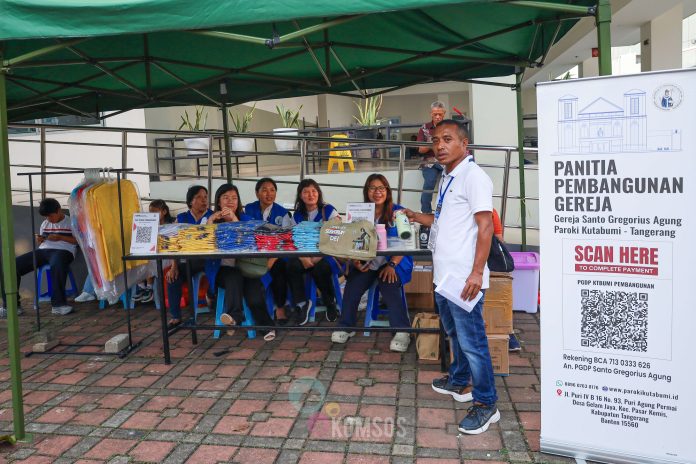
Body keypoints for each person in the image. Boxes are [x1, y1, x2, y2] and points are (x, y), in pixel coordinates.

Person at [403, 119, 499, 435]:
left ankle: (486, 403)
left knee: (473, 343)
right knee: (455, 334)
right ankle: (459, 380)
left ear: (464, 143)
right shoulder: (448, 176)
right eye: (435, 140)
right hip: (445, 276)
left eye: (447, 139)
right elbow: (443, 219)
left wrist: (476, 272)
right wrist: (417, 217)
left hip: (464, 278)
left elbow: (486, 226)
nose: (439, 145)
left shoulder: (474, 177)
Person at [331, 174, 414, 352]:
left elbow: (406, 241)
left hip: (395, 261)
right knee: (353, 285)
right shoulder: (360, 212)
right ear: (366, 191)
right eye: (372, 188)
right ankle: (346, 326)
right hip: (367, 262)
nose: (377, 192)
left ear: (387, 191)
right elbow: (352, 240)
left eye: (381, 188)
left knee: (389, 284)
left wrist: (392, 265)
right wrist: (355, 260)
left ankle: (402, 330)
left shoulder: (398, 212)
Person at [204, 183, 276, 341]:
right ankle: (235, 317)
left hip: (247, 268)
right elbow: (205, 247)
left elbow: (247, 243)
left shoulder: (246, 219)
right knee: (233, 275)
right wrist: (210, 222)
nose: (230, 201)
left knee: (254, 295)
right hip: (223, 270)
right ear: (218, 202)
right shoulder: (211, 220)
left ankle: (265, 326)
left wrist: (234, 220)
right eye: (226, 197)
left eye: (234, 198)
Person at [0, 198, 77, 318]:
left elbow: (78, 241)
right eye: (46, 217)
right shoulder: (45, 223)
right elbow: (41, 244)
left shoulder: (71, 222)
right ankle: (11, 306)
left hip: (64, 250)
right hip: (44, 250)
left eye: (50, 216)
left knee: (57, 264)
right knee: (10, 266)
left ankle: (58, 305)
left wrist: (60, 237)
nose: (48, 219)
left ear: (59, 210)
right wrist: (40, 240)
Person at [286, 179, 340, 326]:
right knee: (291, 266)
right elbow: (293, 239)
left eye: (313, 191)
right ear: (300, 195)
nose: (310, 195)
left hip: (326, 254)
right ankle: (302, 304)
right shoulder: (297, 215)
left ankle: (330, 302)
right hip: (304, 256)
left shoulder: (329, 211)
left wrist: (317, 257)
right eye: (306, 192)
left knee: (320, 269)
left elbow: (336, 237)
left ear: (318, 193)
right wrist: (303, 257)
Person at [245, 178, 294, 325]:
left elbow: (286, 239)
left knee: (279, 268)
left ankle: (280, 308)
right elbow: (246, 232)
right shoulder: (249, 209)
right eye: (264, 190)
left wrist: (271, 260)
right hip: (254, 254)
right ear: (257, 193)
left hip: (276, 254)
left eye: (272, 190)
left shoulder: (283, 213)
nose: (269, 194)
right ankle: (254, 307)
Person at [166, 185, 214, 327]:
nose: (204, 200)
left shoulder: (213, 216)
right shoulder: (181, 218)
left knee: (219, 274)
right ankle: (176, 316)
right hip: (189, 261)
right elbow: (174, 243)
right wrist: (174, 266)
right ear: (190, 201)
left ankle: (211, 297)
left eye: (205, 197)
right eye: (199, 197)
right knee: (172, 277)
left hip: (210, 260)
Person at [490, 208, 521, 352]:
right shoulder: (491, 211)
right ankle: (508, 334)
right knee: (500, 296)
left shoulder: (489, 211)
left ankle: (507, 334)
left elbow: (498, 239)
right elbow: (499, 239)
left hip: (482, 263)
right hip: (491, 264)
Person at [417, 101, 446, 213]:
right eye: (435, 114)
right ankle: (426, 212)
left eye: (440, 114)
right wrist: (432, 142)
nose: (437, 117)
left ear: (444, 113)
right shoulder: (424, 128)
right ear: (431, 114)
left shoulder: (449, 127)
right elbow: (420, 149)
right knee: (430, 181)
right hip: (429, 162)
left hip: (446, 161)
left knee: (451, 183)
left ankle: (446, 211)